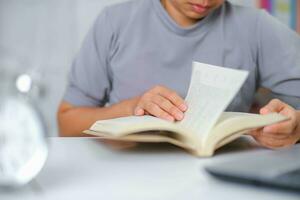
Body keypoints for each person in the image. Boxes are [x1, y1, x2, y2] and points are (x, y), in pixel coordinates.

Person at [57, 0, 300, 149]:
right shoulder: (114, 22)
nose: (204, 0)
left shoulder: (255, 27)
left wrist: (295, 128)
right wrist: (130, 109)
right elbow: (66, 123)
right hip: (127, 179)